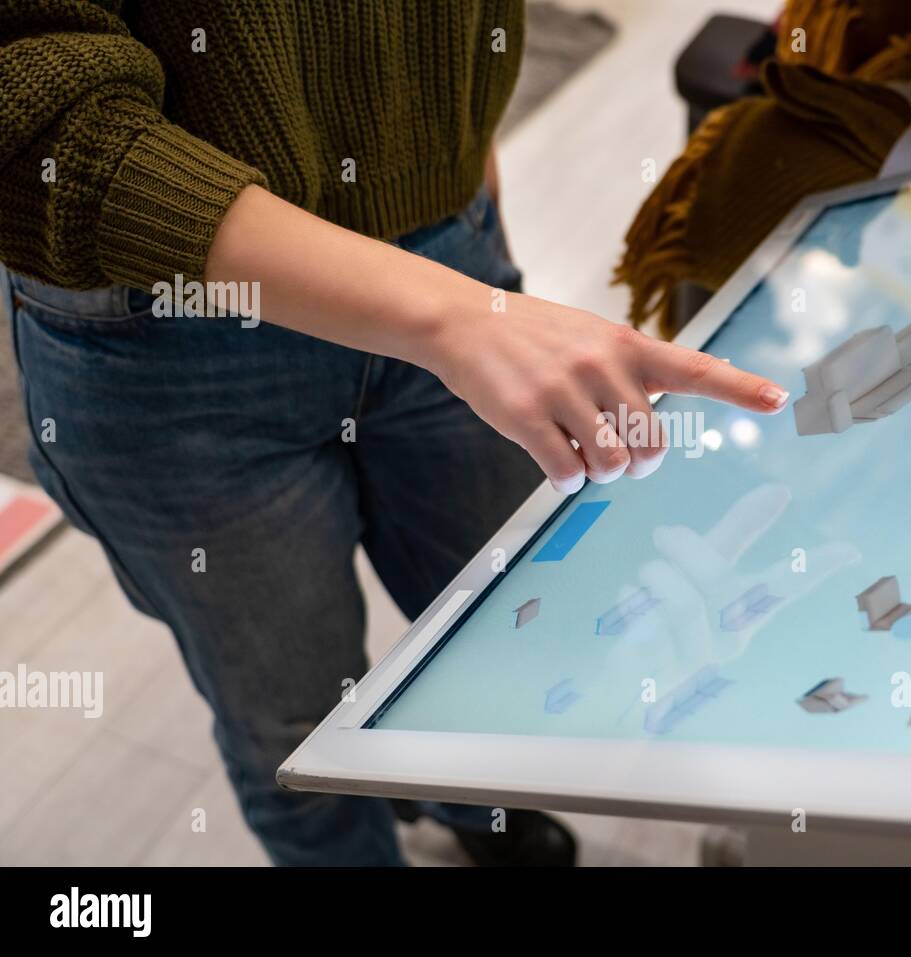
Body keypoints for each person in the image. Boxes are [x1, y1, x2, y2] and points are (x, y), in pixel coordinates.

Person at [0, 2, 787, 865]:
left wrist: (472, 213)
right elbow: (35, 111)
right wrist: (453, 315)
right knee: (292, 719)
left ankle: (470, 805)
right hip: (161, 327)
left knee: (499, 632)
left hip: (445, 242)